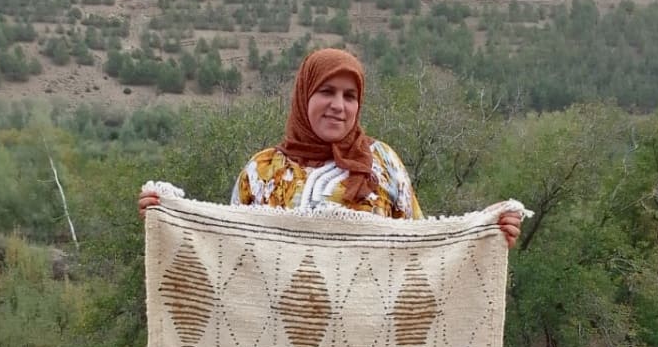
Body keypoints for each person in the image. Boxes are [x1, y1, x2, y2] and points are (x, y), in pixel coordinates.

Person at [138, 47, 521, 247]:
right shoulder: (262, 171)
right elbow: (227, 252)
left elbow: (421, 248)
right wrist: (169, 219)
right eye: (326, 91)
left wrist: (484, 230)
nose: (339, 105)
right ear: (304, 95)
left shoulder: (382, 163)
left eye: (350, 96)